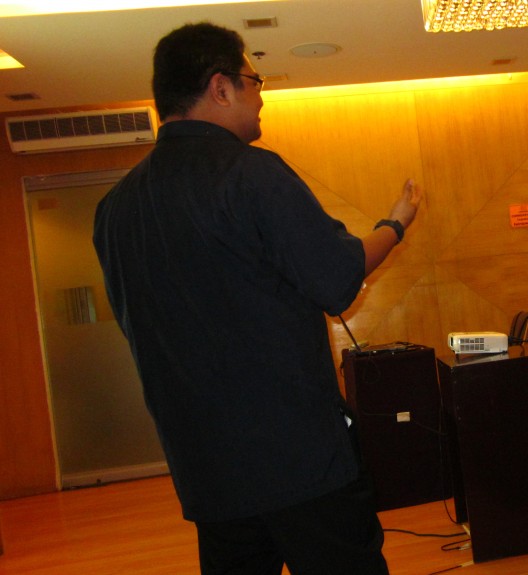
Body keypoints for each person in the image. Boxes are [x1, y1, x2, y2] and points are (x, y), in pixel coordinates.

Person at [93, 23, 422, 575]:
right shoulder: (251, 174)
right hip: (298, 462)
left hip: (205, 471)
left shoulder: (115, 209)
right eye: (255, 81)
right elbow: (336, 277)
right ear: (221, 87)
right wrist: (395, 225)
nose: (262, 96)